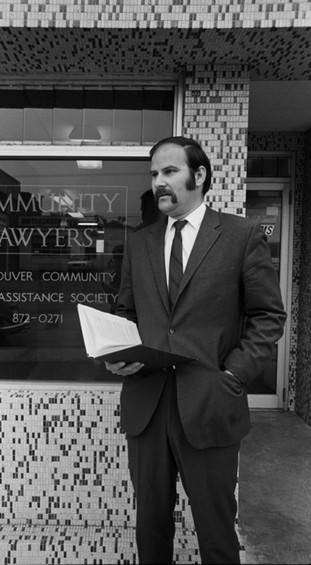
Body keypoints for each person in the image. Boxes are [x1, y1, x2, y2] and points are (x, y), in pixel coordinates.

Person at [105, 136, 287, 564]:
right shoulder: (140, 242)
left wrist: (233, 376)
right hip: (147, 405)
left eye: (169, 172)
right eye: (154, 175)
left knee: (216, 527)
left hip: (210, 403)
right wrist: (117, 351)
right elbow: (126, 311)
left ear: (199, 175)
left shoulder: (241, 235)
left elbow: (268, 316)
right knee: (150, 525)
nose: (158, 183)